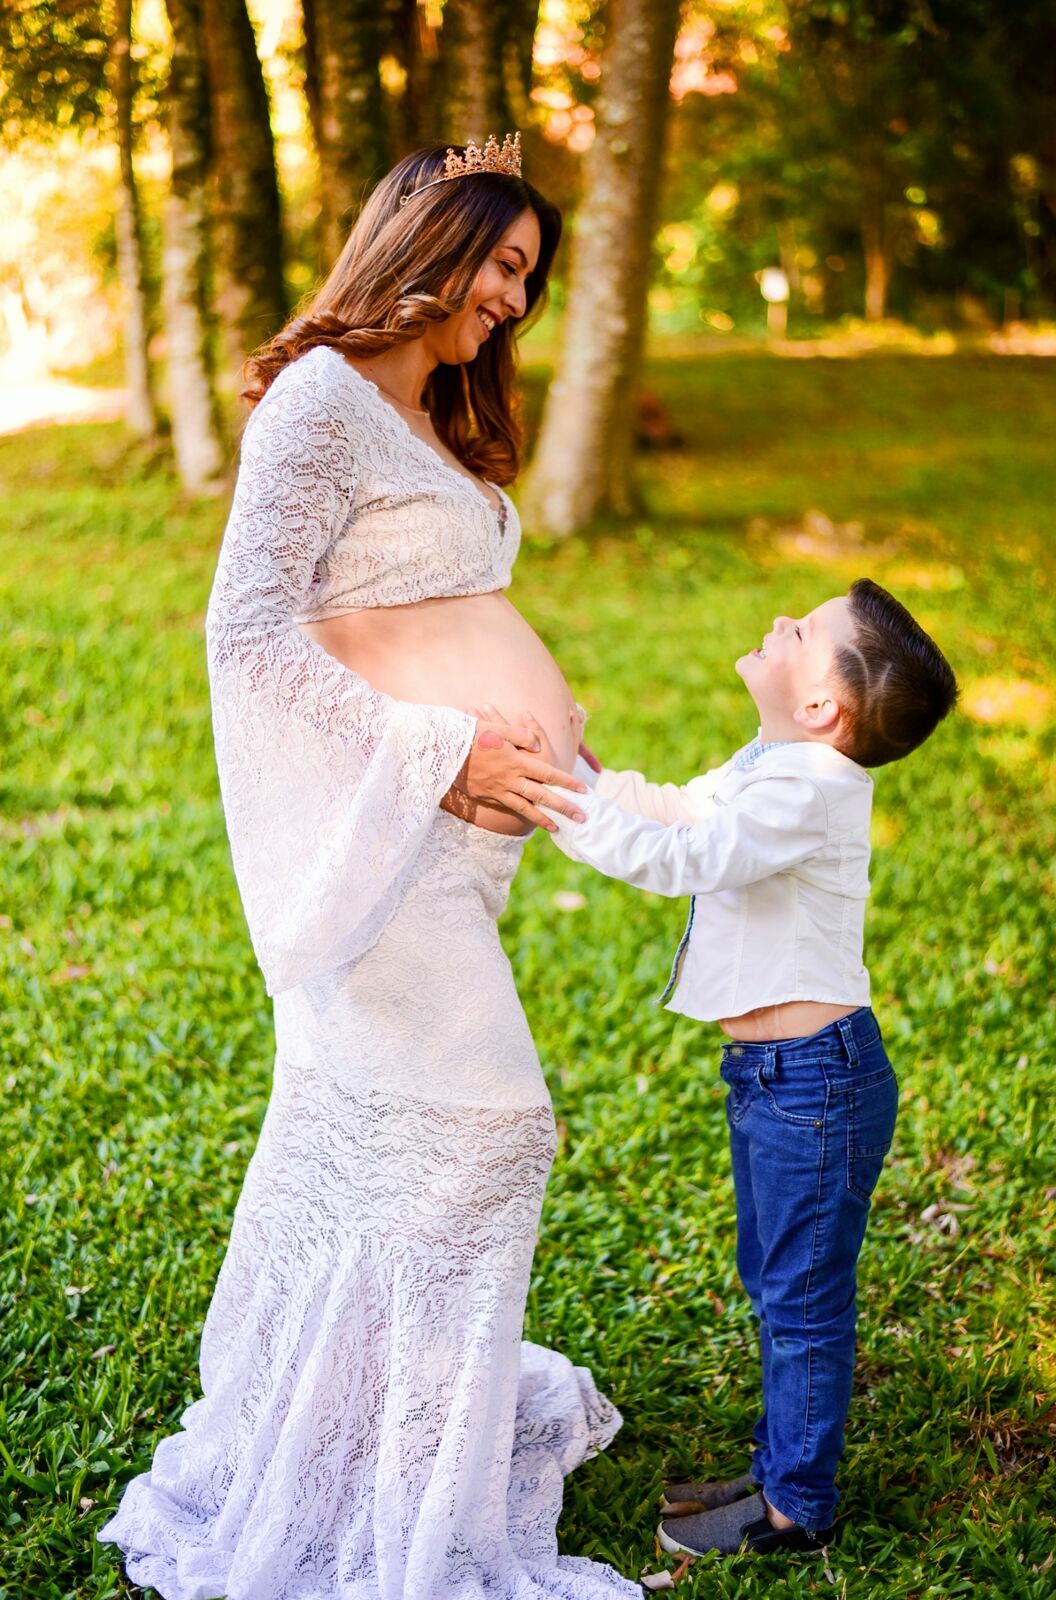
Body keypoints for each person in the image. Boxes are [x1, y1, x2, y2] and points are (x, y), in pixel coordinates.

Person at [97, 137, 642, 1599]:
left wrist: (545, 750)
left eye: (530, 276)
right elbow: (248, 633)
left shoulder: (432, 415)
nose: (514, 299)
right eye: (502, 264)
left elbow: (435, 606)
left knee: (386, 1138)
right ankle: (387, 1480)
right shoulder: (322, 402)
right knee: (489, 1128)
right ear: (428, 242)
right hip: (382, 838)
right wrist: (442, 750)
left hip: (457, 853)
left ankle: (360, 1425)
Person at [536, 580, 959, 1573]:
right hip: (781, 1078)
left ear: (822, 706)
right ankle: (777, 1468)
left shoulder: (811, 790)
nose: (777, 623)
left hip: (815, 1086)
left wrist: (558, 806)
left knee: (802, 1300)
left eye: (801, 630)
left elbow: (686, 854)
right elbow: (676, 807)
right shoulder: (772, 763)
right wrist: (581, 774)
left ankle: (796, 1508)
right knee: (777, 1284)